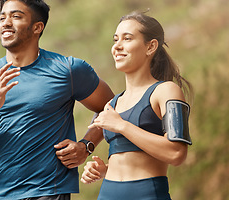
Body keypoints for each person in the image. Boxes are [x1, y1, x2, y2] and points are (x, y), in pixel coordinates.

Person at [0, 0, 114, 200]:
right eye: (2, 17)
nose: (6, 22)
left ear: (37, 28)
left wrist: (86, 146)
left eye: (16, 16)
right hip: (2, 195)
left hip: (50, 193)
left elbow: (112, 107)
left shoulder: (68, 69)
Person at [80, 12, 193, 200]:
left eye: (127, 38)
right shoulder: (112, 104)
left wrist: (122, 126)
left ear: (150, 46)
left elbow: (176, 153)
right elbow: (132, 159)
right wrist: (105, 170)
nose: (117, 46)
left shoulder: (166, 91)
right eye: (115, 39)